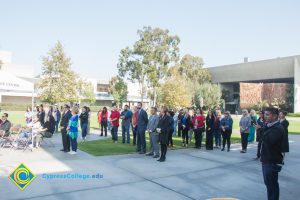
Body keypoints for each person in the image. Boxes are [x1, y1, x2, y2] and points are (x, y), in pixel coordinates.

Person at [261, 107, 288, 200]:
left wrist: (260, 130)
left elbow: (268, 140)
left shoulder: (278, 128)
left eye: (267, 114)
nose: (265, 116)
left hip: (272, 161)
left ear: (275, 116)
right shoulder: (270, 125)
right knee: (270, 184)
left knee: (271, 185)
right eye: (264, 114)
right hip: (267, 159)